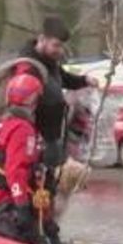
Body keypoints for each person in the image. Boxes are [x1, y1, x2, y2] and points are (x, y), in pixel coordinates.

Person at [11, 17, 99, 196]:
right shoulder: (28, 67)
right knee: (42, 193)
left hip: (53, 138)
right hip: (37, 142)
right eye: (56, 45)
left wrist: (84, 81)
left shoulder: (48, 61)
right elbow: (22, 106)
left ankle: (46, 219)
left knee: (52, 192)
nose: (59, 51)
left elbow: (62, 77)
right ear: (42, 39)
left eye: (61, 46)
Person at [0, 74, 56, 244]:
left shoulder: (0, 122)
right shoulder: (22, 129)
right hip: (6, 206)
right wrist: (21, 205)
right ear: (32, 99)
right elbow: (16, 170)